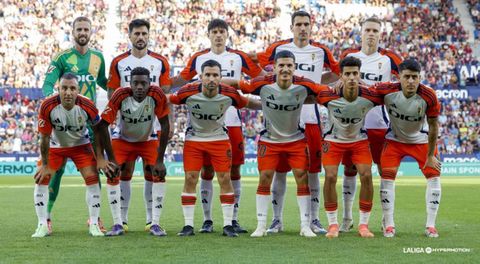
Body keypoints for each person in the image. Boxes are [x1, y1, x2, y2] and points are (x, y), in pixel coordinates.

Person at [172, 18, 265, 234]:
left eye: (222, 31)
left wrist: (270, 98)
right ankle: (207, 220)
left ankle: (232, 220)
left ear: (227, 34)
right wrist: (157, 83)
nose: (218, 35)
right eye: (214, 31)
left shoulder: (238, 57)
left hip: (232, 121)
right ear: (208, 34)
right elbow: (180, 80)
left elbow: (259, 79)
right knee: (205, 171)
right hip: (205, 125)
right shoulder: (199, 58)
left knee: (233, 172)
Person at [251, 10, 340, 234]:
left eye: (306, 24)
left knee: (311, 171)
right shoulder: (278, 48)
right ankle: (276, 220)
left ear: (311, 27)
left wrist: (319, 82)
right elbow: (255, 64)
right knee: (279, 172)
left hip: (311, 116)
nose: (302, 28)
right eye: (298, 24)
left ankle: (313, 219)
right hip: (282, 115)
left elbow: (338, 72)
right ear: (292, 27)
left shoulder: (321, 51)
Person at [235, 50, 324, 237]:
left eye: (289, 65)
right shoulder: (262, 84)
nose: (285, 69)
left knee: (302, 176)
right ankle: (261, 225)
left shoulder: (304, 85)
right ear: (274, 68)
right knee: (265, 177)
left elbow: (324, 92)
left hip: (296, 140)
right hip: (270, 139)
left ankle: (305, 225)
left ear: (295, 67)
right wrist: (215, 82)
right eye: (281, 65)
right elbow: (238, 85)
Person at [41, 16, 108, 233]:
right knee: (55, 172)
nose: (82, 32)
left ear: (91, 32)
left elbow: (103, 82)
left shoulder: (97, 57)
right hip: (64, 123)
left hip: (88, 121)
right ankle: (47, 217)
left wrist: (118, 94)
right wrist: (50, 105)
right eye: (79, 29)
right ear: (73, 31)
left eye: (85, 29)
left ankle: (94, 219)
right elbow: (48, 83)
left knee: (94, 171)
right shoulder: (62, 57)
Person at [338, 17, 403, 232]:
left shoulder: (388, 59)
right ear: (361, 32)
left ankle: (387, 220)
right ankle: (347, 218)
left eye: (376, 30)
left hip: (378, 123)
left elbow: (404, 82)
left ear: (381, 34)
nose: (372, 34)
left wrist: (377, 88)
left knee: (384, 170)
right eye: (368, 30)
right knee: (349, 169)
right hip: (353, 123)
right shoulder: (350, 56)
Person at [107, 19, 172, 232]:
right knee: (121, 173)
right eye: (137, 34)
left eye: (144, 33)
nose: (140, 37)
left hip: (149, 130)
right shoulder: (118, 62)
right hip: (124, 130)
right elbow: (111, 95)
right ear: (130, 36)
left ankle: (152, 221)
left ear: (149, 35)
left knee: (152, 173)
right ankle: (121, 221)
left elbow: (165, 96)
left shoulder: (160, 61)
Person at [96, 67, 170, 236]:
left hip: (147, 140)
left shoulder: (156, 94)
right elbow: (101, 126)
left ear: (149, 84)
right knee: (114, 173)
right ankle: (118, 223)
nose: (139, 87)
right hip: (123, 140)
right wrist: (111, 158)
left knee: (158, 173)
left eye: (143, 83)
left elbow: (165, 124)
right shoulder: (121, 95)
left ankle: (154, 223)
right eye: (135, 83)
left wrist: (160, 159)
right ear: (129, 83)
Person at [373, 59, 442, 238]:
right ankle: (389, 225)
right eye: (407, 77)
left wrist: (430, 156)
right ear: (399, 77)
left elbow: (434, 126)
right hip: (394, 140)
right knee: (387, 179)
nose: (411, 81)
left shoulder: (429, 95)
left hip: (421, 140)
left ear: (420, 78)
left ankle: (431, 226)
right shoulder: (387, 90)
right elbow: (364, 92)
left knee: (434, 178)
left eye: (414, 77)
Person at [32, 73, 105, 237]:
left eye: (72, 88)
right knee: (41, 179)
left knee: (93, 180)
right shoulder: (47, 105)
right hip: (55, 146)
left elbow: (99, 131)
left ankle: (94, 224)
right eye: (64, 88)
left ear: (78, 90)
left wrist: (100, 157)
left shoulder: (87, 105)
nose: (68, 92)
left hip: (81, 145)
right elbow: (43, 137)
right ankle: (42, 224)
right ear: (58, 88)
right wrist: (44, 165)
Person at [316, 57, 381, 238]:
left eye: (355, 74)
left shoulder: (369, 95)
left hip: (358, 140)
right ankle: (333, 225)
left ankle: (363, 225)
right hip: (333, 140)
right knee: (329, 177)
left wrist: (367, 84)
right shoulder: (327, 95)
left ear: (359, 75)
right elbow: (307, 94)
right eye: (347, 74)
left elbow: (388, 93)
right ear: (341, 76)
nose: (351, 77)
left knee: (367, 175)